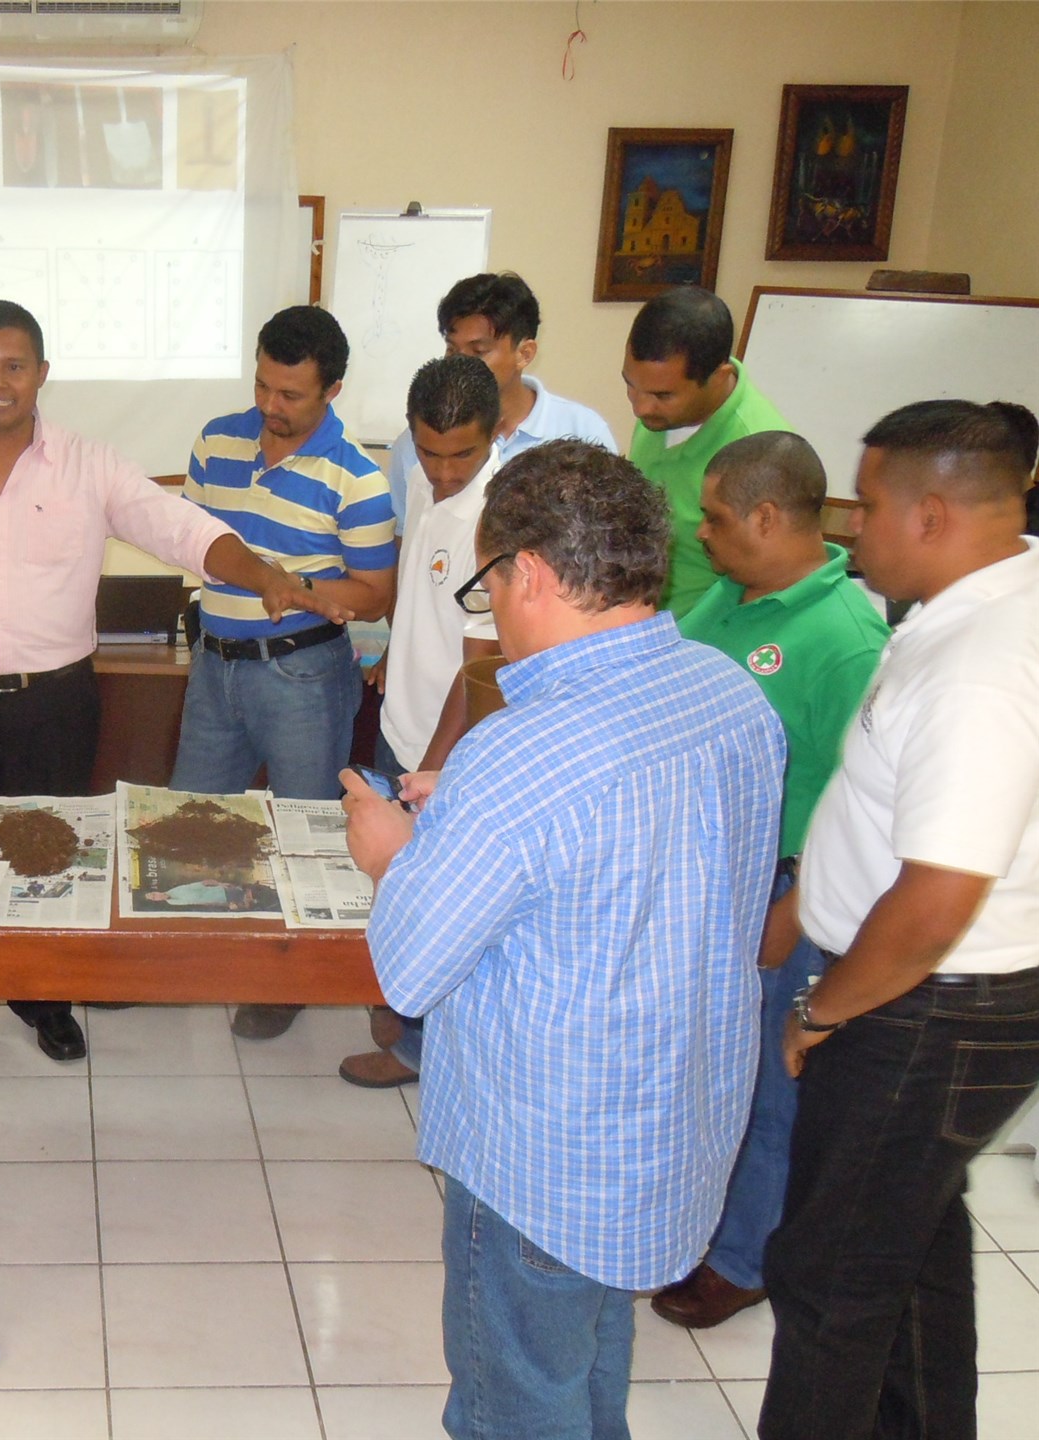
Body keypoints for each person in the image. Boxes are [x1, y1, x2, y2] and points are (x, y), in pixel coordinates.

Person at [343, 440, 784, 1439]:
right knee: (585, 1362)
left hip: (539, 1162)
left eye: (486, 585)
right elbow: (664, 873)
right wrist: (468, 817)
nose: (489, 608)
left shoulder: (519, 749)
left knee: (511, 1402)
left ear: (529, 573)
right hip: (669, 1131)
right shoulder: (728, 697)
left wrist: (392, 853)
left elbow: (409, 970)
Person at [0, 299, 346, 1068]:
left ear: (42, 374)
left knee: (51, 857)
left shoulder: (87, 464)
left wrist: (259, 572)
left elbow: (179, 528)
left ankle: (43, 996)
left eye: (15, 366)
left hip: (56, 701)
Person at [759, 400, 1039, 1440]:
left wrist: (823, 1012)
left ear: (929, 514)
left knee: (827, 1282)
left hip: (926, 1009)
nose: (847, 528)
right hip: (935, 998)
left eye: (866, 506)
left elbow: (933, 902)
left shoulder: (981, 667)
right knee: (907, 1255)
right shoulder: (981, 604)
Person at [644, 432, 888, 1332]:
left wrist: (790, 912)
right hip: (703, 873)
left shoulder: (844, 638)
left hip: (784, 889)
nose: (699, 531)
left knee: (767, 1087)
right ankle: (696, 1224)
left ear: (766, 516)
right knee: (706, 1069)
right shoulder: (727, 597)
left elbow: (854, 803)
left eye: (712, 516)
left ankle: (744, 1259)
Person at [173, 304, 397, 1041]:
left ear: (331, 390)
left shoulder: (358, 478)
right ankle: (178, 962)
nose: (269, 407)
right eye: (263, 386)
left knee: (303, 832)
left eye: (290, 395)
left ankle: (285, 979)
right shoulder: (215, 439)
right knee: (192, 824)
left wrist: (295, 590)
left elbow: (375, 593)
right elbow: (197, 543)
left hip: (302, 676)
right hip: (215, 668)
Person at [340, 354, 505, 1090]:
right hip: (402, 716)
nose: (442, 473)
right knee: (396, 887)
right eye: (429, 453)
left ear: (494, 432)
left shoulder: (498, 516)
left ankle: (416, 1051)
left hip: (451, 747)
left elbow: (480, 670)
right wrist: (388, 654)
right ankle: (397, 1006)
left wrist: (429, 771)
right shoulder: (420, 476)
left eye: (460, 455)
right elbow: (419, 587)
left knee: (437, 899)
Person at [385, 271, 616, 531]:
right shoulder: (417, 444)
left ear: (524, 353)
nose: (459, 363)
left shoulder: (582, 432)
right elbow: (407, 540)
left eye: (478, 351)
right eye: (452, 349)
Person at [623, 286, 789, 618]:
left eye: (663, 395)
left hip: (703, 644)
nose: (640, 408)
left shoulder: (759, 452)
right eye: (630, 384)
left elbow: (767, 590)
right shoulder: (657, 415)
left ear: (719, 377)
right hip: (636, 623)